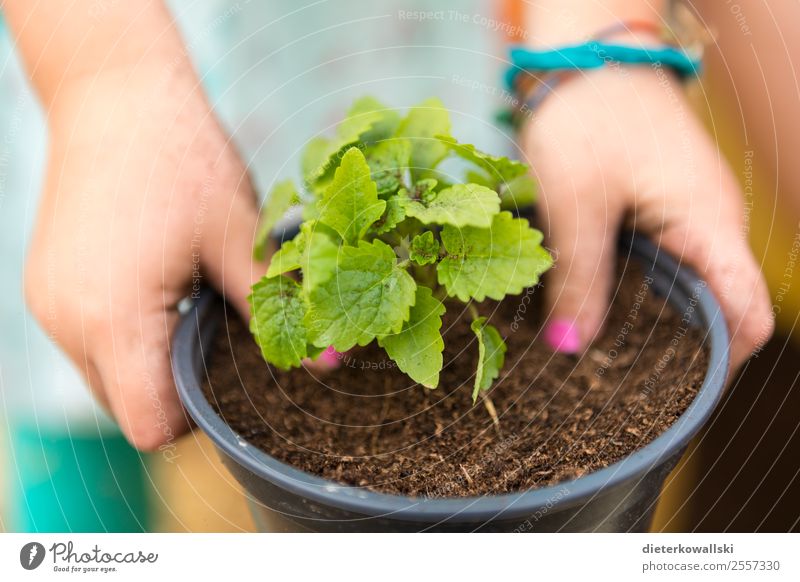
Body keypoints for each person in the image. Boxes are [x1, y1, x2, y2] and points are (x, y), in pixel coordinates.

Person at [1, 0, 774, 451]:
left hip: (398, 38)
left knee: (447, 183)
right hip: (105, 46)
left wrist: (600, 28)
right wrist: (102, 79)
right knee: (97, 355)